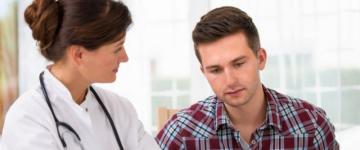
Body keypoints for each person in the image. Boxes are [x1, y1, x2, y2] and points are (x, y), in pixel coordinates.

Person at [156, 6, 339, 150]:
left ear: (260, 59)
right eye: (216, 70)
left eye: (238, 64)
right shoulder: (182, 131)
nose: (230, 80)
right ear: (204, 72)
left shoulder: (311, 125)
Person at [1, 0, 160, 149]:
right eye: (117, 49)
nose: (125, 57)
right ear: (79, 55)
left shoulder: (120, 109)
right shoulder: (27, 118)